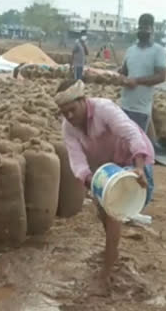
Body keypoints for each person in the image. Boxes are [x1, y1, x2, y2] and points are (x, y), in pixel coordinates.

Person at [55, 78, 155, 282]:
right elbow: (77, 163)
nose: (70, 116)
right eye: (65, 113)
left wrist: (138, 168)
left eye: (73, 109)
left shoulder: (104, 109)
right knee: (103, 209)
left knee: (113, 212)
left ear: (83, 100)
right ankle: (112, 247)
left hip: (131, 158)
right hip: (106, 169)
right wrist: (93, 184)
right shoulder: (69, 128)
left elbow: (131, 134)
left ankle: (107, 270)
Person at [118, 14, 166, 131]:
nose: (142, 30)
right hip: (124, 105)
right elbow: (124, 72)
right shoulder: (130, 50)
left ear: (152, 29)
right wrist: (120, 76)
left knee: (137, 145)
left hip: (140, 109)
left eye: (146, 27)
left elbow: (161, 76)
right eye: (140, 27)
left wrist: (137, 81)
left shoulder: (158, 51)